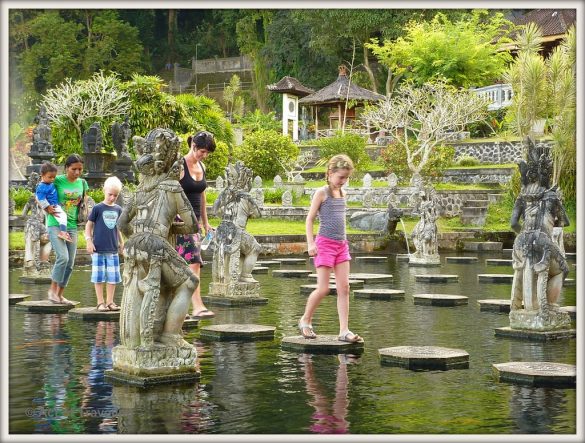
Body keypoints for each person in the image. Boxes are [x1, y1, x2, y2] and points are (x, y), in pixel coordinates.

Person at [299, 154, 362, 343]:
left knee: (344, 287)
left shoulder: (343, 194)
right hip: (324, 244)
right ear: (330, 173)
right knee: (324, 288)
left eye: (346, 177)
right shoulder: (322, 192)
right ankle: (305, 320)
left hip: (341, 245)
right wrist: (311, 243)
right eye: (341, 177)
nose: (344, 181)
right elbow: (309, 219)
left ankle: (344, 330)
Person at [176, 130, 216, 320]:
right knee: (194, 262)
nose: (204, 155)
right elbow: (171, 193)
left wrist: (206, 223)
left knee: (188, 264)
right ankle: (197, 306)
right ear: (193, 146)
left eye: (207, 153)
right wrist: (178, 215)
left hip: (195, 224)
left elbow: (202, 195)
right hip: (180, 222)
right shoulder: (180, 166)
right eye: (202, 151)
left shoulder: (202, 167)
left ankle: (181, 308)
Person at [46, 154, 88, 305]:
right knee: (62, 257)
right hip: (55, 223)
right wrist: (46, 206)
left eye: (80, 169)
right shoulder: (57, 180)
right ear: (66, 168)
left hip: (72, 226)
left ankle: (60, 294)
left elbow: (84, 202)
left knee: (70, 263)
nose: (77, 172)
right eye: (73, 169)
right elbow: (40, 191)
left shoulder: (83, 183)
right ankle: (52, 291)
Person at [84, 176, 124, 312]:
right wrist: (88, 240)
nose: (112, 198)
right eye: (110, 194)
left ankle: (110, 302)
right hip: (98, 248)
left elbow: (118, 228)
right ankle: (100, 302)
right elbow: (88, 225)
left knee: (113, 276)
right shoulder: (97, 208)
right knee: (99, 276)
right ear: (104, 191)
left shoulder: (118, 209)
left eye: (115, 195)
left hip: (112, 248)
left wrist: (122, 242)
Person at [35, 162, 72, 242]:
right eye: (50, 177)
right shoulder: (41, 187)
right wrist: (47, 207)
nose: (52, 179)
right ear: (42, 175)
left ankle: (48, 233)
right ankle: (63, 232)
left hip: (55, 204)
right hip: (51, 206)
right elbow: (40, 198)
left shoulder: (49, 183)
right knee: (63, 216)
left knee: (51, 219)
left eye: (54, 177)